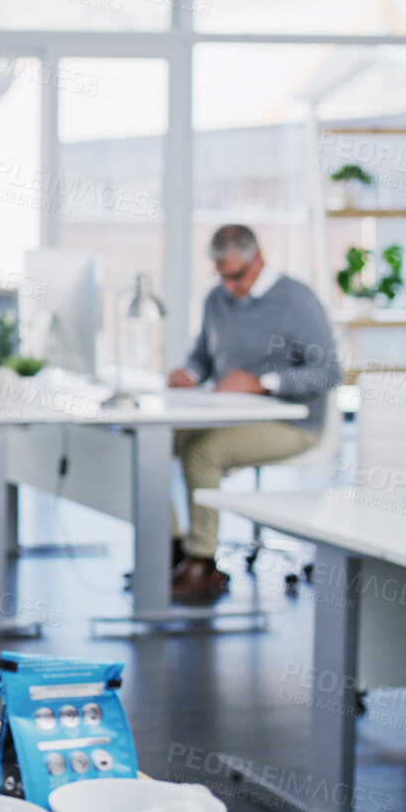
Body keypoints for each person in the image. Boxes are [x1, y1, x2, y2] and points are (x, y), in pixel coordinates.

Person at [167, 224, 337, 602]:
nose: (229, 287)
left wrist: (265, 382)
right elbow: (203, 357)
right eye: (221, 277)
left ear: (256, 259)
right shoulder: (216, 300)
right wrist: (191, 373)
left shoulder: (296, 300)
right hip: (229, 415)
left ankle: (203, 562)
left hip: (293, 423)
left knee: (202, 452)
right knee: (154, 442)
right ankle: (173, 548)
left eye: (235, 276)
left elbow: (327, 372)